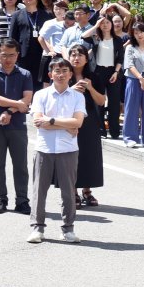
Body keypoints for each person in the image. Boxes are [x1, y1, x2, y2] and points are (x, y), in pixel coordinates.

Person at [27, 57, 86, 244]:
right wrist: (65, 124)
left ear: (70, 74)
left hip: (68, 149)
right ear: (50, 74)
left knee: (68, 191)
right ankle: (37, 228)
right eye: (57, 71)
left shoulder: (78, 96)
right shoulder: (41, 95)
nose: (60, 75)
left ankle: (68, 229)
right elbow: (38, 121)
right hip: (44, 148)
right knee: (39, 189)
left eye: (64, 71)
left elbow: (77, 123)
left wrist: (51, 121)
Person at [0, 37, 34, 214]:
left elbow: (27, 98)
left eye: (12, 55)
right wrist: (18, 104)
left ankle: (22, 200)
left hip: (17, 125)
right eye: (4, 55)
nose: (8, 59)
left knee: (20, 164)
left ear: (17, 55)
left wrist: (9, 111)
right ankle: (0, 199)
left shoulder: (25, 74)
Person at [63, 44, 106, 207]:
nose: (76, 58)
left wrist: (90, 87)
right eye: (73, 55)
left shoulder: (94, 76)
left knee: (89, 156)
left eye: (80, 55)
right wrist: (72, 89)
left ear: (86, 59)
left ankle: (87, 191)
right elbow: (57, 96)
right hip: (68, 120)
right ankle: (72, 191)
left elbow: (101, 101)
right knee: (71, 156)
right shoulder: (64, 75)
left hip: (89, 121)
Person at [81, 16, 123, 139]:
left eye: (107, 22)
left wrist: (116, 72)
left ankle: (114, 130)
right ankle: (101, 130)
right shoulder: (95, 38)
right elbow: (83, 36)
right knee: (99, 101)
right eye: (102, 23)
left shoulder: (117, 40)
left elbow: (120, 58)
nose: (105, 25)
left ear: (111, 24)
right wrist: (95, 25)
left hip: (113, 71)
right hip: (97, 71)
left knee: (114, 102)